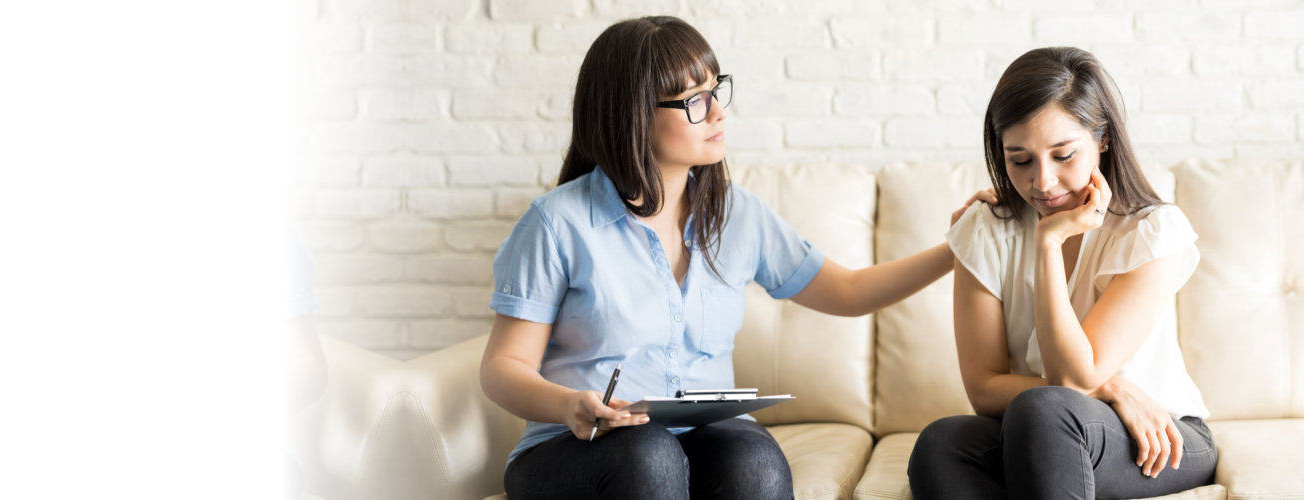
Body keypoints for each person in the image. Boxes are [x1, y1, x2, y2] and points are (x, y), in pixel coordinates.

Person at [481, 16, 992, 500]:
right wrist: (570, 405)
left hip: (697, 436)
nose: (719, 112)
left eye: (715, 89)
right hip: (573, 449)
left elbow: (849, 291)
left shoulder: (736, 215)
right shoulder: (558, 222)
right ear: (633, 113)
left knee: (754, 460)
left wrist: (958, 247)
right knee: (649, 455)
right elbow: (503, 367)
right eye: (694, 101)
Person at [908, 47, 1219, 500]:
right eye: (1020, 160)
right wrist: (1110, 388)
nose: (1043, 182)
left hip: (1158, 435)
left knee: (1045, 409)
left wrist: (1048, 243)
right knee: (943, 443)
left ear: (1104, 139)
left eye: (1063, 155)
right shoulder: (986, 229)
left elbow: (1073, 380)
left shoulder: (1152, 232)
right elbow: (984, 387)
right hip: (1042, 430)